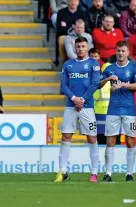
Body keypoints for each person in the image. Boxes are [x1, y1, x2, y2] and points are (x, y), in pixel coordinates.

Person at [54, 36, 100, 183]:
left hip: (87, 106)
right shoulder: (68, 64)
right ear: (75, 48)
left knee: (91, 138)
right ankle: (62, 171)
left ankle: (94, 172)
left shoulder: (94, 63)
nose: (80, 49)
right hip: (70, 105)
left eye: (83, 46)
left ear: (87, 48)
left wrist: (83, 99)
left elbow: (95, 83)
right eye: (78, 46)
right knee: (66, 137)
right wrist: (74, 99)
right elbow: (63, 85)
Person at [100, 41, 136, 182]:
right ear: (115, 51)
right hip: (112, 109)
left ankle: (129, 173)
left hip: (129, 110)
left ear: (128, 52)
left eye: (123, 51)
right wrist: (107, 79)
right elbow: (98, 85)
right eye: (118, 51)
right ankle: (108, 173)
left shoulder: (134, 67)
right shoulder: (109, 68)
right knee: (110, 141)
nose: (120, 53)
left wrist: (122, 84)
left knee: (130, 142)